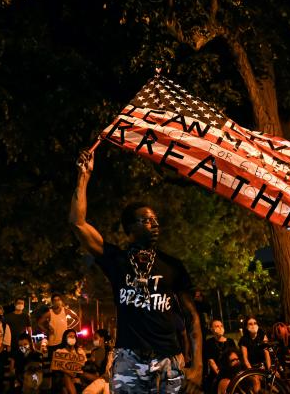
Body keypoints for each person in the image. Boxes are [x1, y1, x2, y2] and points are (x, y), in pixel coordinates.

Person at [70, 149, 202, 393]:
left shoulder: (172, 265)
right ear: (130, 227)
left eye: (156, 220)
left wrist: (198, 367)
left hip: (168, 358)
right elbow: (78, 223)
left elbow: (192, 316)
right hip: (128, 360)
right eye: (147, 220)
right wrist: (83, 177)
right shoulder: (117, 260)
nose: (155, 224)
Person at [203, 320, 236, 393]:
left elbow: (235, 359)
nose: (220, 328)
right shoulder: (209, 342)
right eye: (217, 326)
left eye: (221, 326)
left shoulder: (230, 341)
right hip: (217, 373)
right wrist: (220, 375)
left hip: (231, 372)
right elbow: (211, 361)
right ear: (211, 329)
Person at [51, 329, 86, 394]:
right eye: (70, 336)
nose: (72, 338)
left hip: (77, 376)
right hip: (62, 377)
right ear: (65, 338)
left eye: (74, 336)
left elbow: (83, 365)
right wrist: (69, 373)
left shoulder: (80, 351)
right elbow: (56, 366)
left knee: (65, 389)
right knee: (66, 376)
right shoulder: (60, 351)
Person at [81, 329, 112, 394]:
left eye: (95, 338)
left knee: (84, 375)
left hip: (104, 377)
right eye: (93, 338)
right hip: (97, 375)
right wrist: (90, 361)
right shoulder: (94, 351)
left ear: (102, 339)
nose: (93, 340)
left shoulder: (110, 351)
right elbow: (92, 367)